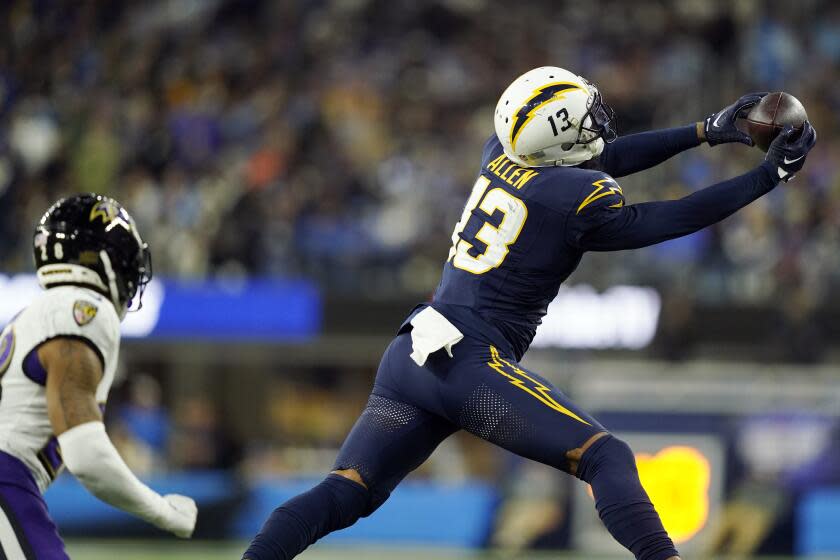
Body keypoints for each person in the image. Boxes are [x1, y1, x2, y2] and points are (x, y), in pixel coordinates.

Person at [243, 67, 817, 560]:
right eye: (583, 119)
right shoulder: (573, 198)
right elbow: (669, 218)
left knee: (346, 492)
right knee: (605, 457)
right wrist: (769, 176)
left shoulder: (505, 151)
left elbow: (605, 157)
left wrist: (705, 132)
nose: (597, 125)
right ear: (557, 138)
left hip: (414, 352)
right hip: (470, 364)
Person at [0, 194, 197, 558]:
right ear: (101, 259)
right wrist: (163, 510)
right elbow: (85, 453)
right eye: (124, 258)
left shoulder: (36, 315)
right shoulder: (84, 310)